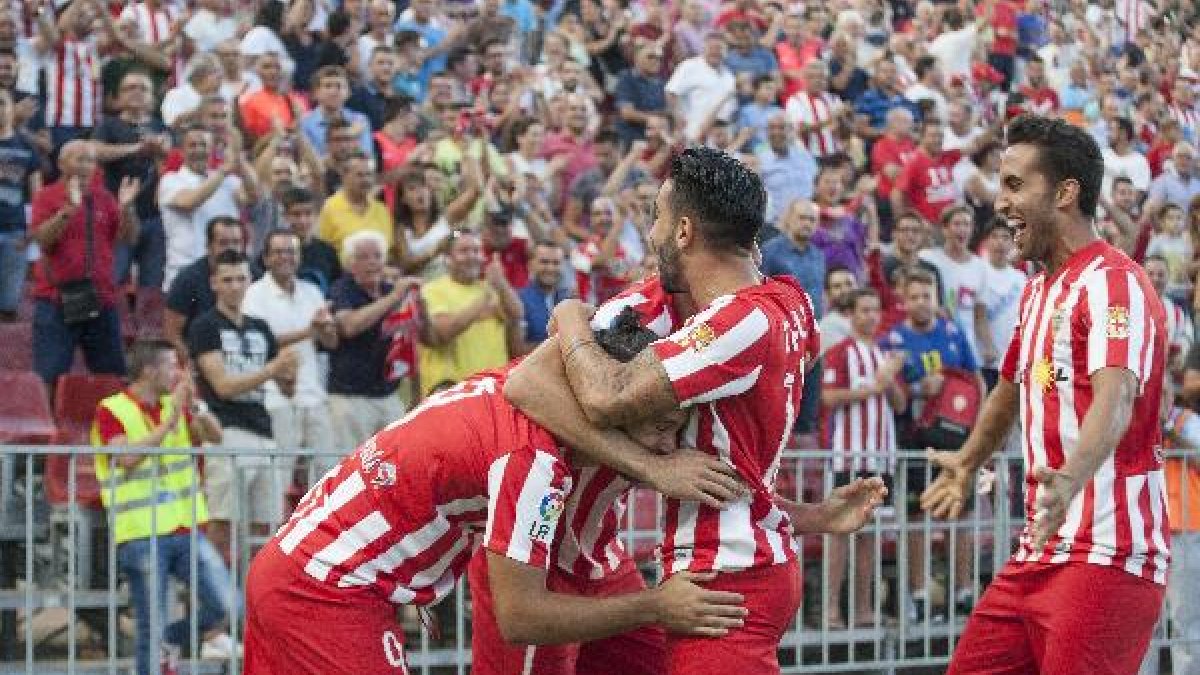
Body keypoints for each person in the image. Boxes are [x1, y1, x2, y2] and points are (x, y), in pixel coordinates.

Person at [242, 316, 752, 675]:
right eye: (661, 428)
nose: (669, 447)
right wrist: (656, 606)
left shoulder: (526, 382)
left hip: (293, 566)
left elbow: (569, 322)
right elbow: (521, 617)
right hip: (329, 593)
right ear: (609, 410)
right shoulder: (534, 464)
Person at [507, 147, 824, 674]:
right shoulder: (792, 300)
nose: (650, 234)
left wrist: (568, 314)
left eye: (655, 217)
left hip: (723, 570)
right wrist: (814, 515)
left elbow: (605, 396)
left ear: (683, 231)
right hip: (735, 563)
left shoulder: (738, 321)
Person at [921, 115, 1169, 674]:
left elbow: (1117, 397)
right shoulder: (1037, 291)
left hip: (1107, 550)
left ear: (1064, 193)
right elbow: (1009, 389)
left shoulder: (1114, 283)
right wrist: (967, 462)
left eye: (1015, 185)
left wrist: (1072, 476)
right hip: (1041, 547)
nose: (1000, 203)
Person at [90, 339, 230, 675]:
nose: (178, 374)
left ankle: (171, 640)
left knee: (227, 604)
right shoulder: (111, 409)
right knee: (149, 626)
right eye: (171, 366)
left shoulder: (177, 405)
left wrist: (195, 406)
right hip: (141, 533)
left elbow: (216, 436)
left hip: (186, 529)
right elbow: (126, 458)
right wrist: (169, 423)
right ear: (149, 370)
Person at [187, 249, 300, 559]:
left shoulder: (260, 327)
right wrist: (273, 369)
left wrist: (290, 372)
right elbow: (222, 387)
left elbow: (287, 389)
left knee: (267, 526)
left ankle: (253, 587)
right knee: (223, 522)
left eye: (240, 279)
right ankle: (209, 586)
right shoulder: (205, 326)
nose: (235, 286)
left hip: (264, 430)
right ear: (214, 283)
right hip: (226, 431)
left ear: (250, 281)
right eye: (227, 280)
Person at [819, 288, 905, 629]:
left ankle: (863, 609)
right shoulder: (841, 351)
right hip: (848, 455)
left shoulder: (885, 355)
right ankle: (830, 610)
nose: (870, 316)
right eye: (864, 310)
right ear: (851, 314)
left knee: (871, 533)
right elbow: (827, 398)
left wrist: (888, 382)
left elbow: (899, 404)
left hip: (881, 456)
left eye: (875, 310)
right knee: (839, 533)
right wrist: (872, 387)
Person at [30, 140, 140, 390]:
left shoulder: (104, 197)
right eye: (79, 159)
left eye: (91, 161)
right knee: (50, 376)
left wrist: (127, 208)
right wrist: (68, 210)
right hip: (57, 299)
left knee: (113, 377)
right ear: (61, 164)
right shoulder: (46, 196)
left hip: (100, 297)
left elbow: (129, 237)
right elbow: (43, 241)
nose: (86, 166)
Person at [242, 229, 339, 478]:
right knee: (279, 477)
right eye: (278, 252)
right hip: (274, 398)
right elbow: (261, 341)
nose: (285, 257)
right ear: (266, 258)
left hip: (313, 395)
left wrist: (326, 329)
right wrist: (309, 331)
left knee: (328, 477)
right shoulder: (254, 294)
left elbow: (330, 343)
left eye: (291, 252)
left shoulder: (312, 292)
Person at [418, 230, 523, 394]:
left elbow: (517, 315)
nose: (472, 256)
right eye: (464, 251)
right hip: (453, 391)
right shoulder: (432, 290)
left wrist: (502, 283)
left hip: (493, 389)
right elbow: (443, 333)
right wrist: (485, 297)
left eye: (476, 251)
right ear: (447, 258)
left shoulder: (492, 288)